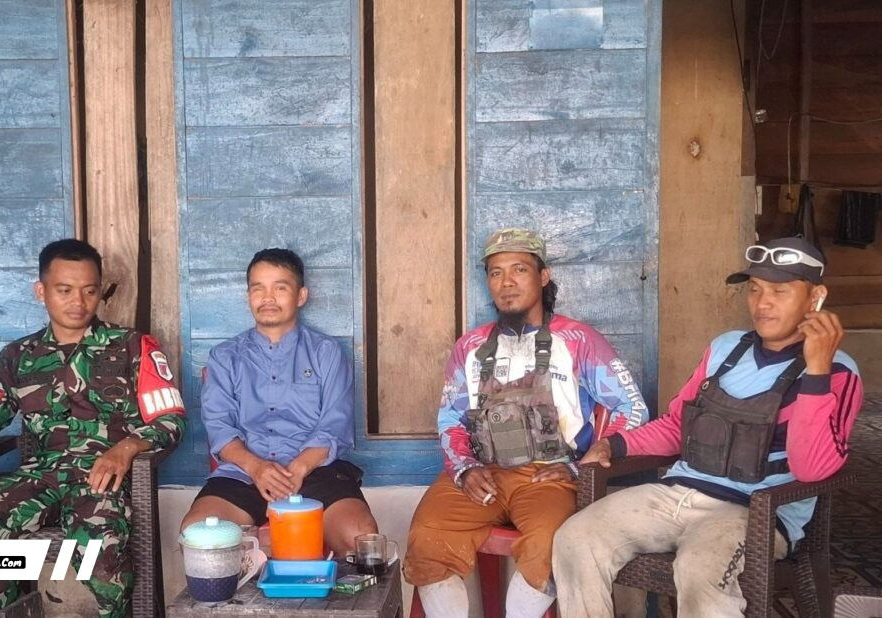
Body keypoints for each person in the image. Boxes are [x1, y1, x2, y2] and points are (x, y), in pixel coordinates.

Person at [552, 236, 863, 618]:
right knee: (575, 538)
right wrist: (614, 445)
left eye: (779, 291)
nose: (762, 303)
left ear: (815, 297)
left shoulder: (838, 371)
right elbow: (677, 426)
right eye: (755, 289)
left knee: (701, 568)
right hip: (677, 494)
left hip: (754, 514)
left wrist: (816, 370)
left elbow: (811, 469)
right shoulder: (725, 349)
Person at [403, 228, 650, 618]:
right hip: (482, 473)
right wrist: (465, 468)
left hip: (549, 477)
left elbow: (632, 408)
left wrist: (580, 466)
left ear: (543, 276)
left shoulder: (578, 340)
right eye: (496, 272)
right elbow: (450, 418)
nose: (507, 282)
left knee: (550, 542)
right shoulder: (470, 347)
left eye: (519, 269)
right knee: (427, 536)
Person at [0, 239, 186, 617]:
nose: (78, 302)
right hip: (39, 477)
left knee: (103, 561)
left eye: (89, 291)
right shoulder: (18, 356)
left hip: (101, 480)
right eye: (64, 290)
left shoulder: (132, 347)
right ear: (41, 292)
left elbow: (170, 419)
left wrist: (125, 449)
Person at [180, 248, 377, 553]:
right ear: (248, 296)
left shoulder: (326, 353)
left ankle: (331, 587)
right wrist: (257, 468)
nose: (267, 298)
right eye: (258, 288)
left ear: (301, 296)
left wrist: (297, 470)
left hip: (314, 470)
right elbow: (220, 428)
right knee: (198, 536)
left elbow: (335, 425)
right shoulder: (225, 357)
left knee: (360, 537)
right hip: (245, 472)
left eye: (280, 288)